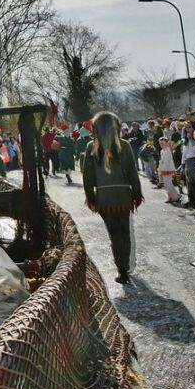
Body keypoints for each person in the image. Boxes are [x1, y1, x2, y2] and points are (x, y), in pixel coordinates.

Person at [82, 111, 142, 284]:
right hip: (123, 196)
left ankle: (121, 269)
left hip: (104, 198)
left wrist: (90, 197)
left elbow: (88, 176)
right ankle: (124, 267)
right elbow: (132, 173)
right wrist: (137, 194)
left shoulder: (91, 147)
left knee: (114, 234)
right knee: (124, 232)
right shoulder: (125, 145)